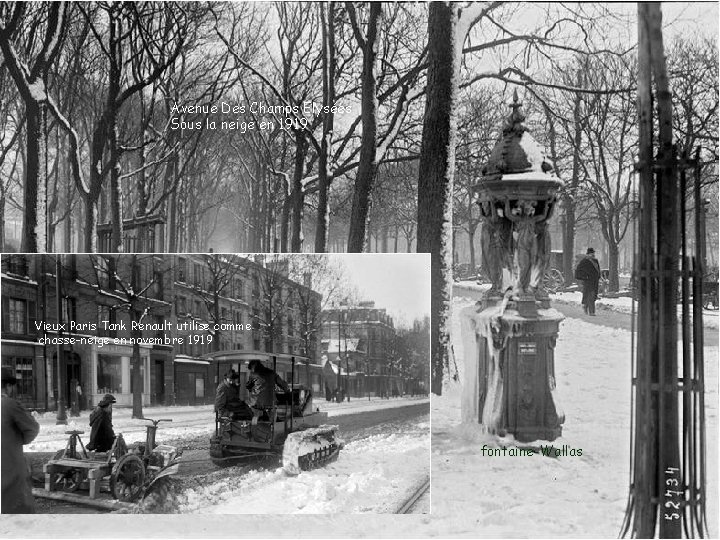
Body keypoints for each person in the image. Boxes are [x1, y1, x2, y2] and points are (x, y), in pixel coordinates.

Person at [1, 366, 40, 513]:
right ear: (8, 386)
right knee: (18, 508)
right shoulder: (9, 405)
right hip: (9, 467)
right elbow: (32, 429)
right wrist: (16, 440)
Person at [575, 247, 601, 316]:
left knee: (591, 296)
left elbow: (598, 270)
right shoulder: (584, 261)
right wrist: (584, 277)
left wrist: (599, 277)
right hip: (588, 281)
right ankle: (592, 312)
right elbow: (578, 271)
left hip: (595, 282)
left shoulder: (596, 261)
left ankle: (586, 306)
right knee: (591, 296)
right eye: (591, 253)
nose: (593, 254)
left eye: (593, 253)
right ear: (588, 254)